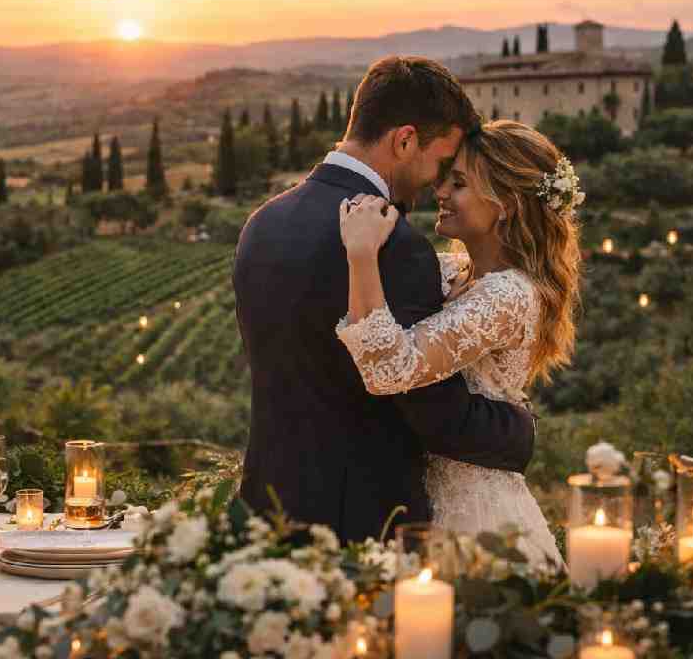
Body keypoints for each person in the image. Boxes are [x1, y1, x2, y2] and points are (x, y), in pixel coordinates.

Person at [234, 57, 535, 545]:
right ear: (404, 141)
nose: (437, 184)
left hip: (265, 510)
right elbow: (435, 415)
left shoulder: (263, 224)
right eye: (442, 164)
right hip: (364, 522)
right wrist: (521, 430)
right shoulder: (395, 247)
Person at [336, 121, 583, 569]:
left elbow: (389, 368)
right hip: (421, 497)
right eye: (445, 178)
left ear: (505, 204)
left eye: (460, 183)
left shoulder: (509, 295)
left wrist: (361, 254)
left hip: (476, 516)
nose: (441, 192)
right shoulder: (452, 271)